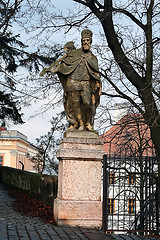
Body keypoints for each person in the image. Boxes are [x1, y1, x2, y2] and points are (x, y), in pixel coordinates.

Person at [41, 30, 101, 131]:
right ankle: (80, 123)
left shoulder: (93, 58)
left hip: (85, 83)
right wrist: (53, 70)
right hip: (73, 83)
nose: (86, 42)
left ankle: (87, 123)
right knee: (75, 105)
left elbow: (95, 73)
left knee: (87, 103)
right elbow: (64, 66)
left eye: (88, 40)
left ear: (91, 42)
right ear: (81, 41)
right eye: (84, 40)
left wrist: (96, 82)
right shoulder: (74, 54)